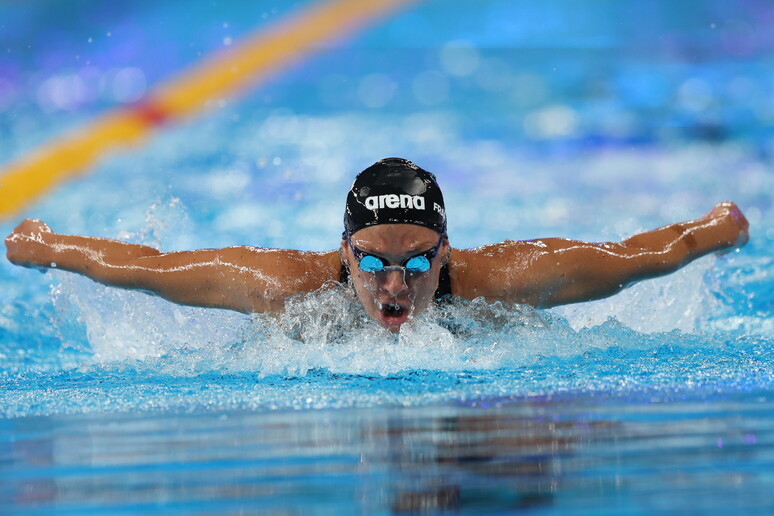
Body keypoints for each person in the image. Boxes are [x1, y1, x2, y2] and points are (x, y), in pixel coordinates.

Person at [5, 157, 749, 332]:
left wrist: (716, 232)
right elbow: (153, 267)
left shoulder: (505, 281)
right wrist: (51, 245)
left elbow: (638, 257)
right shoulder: (286, 287)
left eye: (420, 262)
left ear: (448, 254)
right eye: (374, 263)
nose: (397, 286)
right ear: (343, 252)